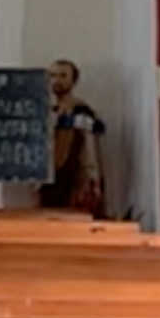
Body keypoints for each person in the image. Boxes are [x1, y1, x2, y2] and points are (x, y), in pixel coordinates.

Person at [41, 57, 107, 216]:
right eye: (53, 75)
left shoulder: (81, 110)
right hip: (49, 180)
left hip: (74, 180)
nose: (57, 80)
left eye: (63, 76)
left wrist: (91, 180)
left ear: (73, 80)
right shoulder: (45, 110)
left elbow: (90, 149)